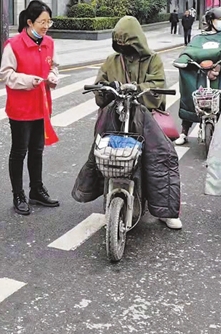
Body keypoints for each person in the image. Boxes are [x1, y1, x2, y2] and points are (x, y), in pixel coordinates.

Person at [72, 16, 182, 229]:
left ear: (137, 41)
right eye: (119, 43)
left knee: (161, 157)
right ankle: (93, 191)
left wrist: (138, 88)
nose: (123, 47)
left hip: (144, 118)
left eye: (127, 42)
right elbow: (100, 92)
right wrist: (106, 88)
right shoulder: (111, 60)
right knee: (101, 154)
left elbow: (157, 87)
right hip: (115, 117)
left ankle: (165, 210)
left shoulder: (153, 60)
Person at [0, 0, 60, 215]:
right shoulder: (13, 45)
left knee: (37, 150)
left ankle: (36, 189)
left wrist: (52, 77)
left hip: (42, 105)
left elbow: (53, 65)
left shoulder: (49, 42)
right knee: (19, 151)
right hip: (21, 107)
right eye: (42, 22)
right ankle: (18, 194)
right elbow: (6, 74)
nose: (45, 26)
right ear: (29, 22)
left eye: (48, 22)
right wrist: (28, 80)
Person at [174, 6, 221, 145]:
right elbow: (190, 51)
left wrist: (219, 67)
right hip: (200, 73)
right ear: (210, 20)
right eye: (220, 19)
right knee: (191, 96)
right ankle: (184, 132)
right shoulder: (199, 38)